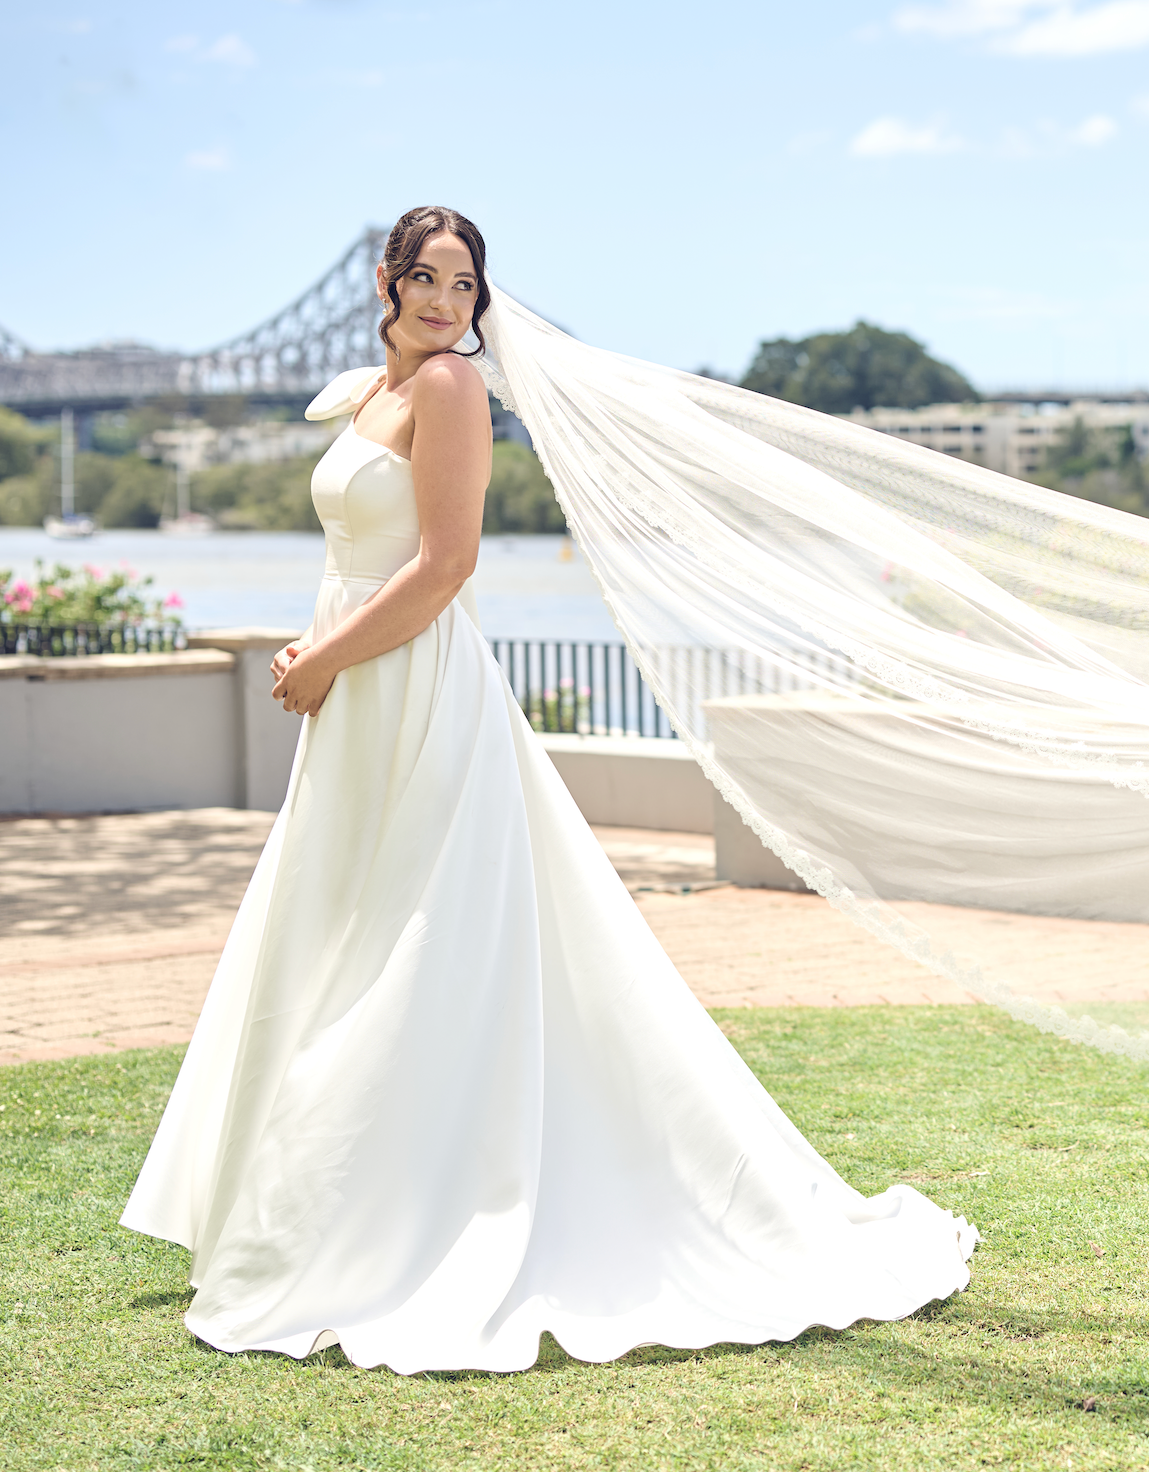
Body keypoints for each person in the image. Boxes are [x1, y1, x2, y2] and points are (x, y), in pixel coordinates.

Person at [121, 207, 975, 1375]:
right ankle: (304, 1211)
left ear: (481, 299)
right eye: (424, 277)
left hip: (411, 686)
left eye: (463, 283)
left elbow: (449, 564)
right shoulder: (376, 393)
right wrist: (324, 656)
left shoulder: (455, 392)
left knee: (417, 946)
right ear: (386, 281)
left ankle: (384, 1223)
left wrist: (322, 657)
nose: (442, 301)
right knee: (340, 934)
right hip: (357, 700)